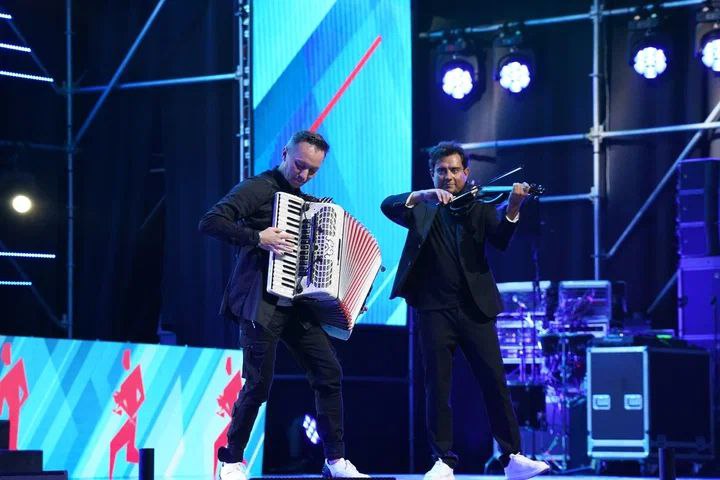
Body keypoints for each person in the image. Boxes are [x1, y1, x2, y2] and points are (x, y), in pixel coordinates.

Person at [199, 130, 368, 480]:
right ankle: (231, 461)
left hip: (296, 305)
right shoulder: (258, 188)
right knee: (258, 384)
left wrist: (344, 292)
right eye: (299, 165)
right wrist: (256, 237)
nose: (303, 174)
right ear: (285, 154)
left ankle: (335, 461)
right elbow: (211, 222)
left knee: (329, 372)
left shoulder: (306, 202)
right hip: (259, 303)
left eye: (312, 170)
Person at [380, 142, 549, 480]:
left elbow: (501, 239)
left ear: (466, 173)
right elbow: (387, 205)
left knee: (494, 381)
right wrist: (423, 195)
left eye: (455, 170)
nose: (449, 176)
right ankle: (443, 460)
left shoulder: (479, 207)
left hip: (475, 309)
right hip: (433, 309)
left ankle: (513, 458)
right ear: (432, 174)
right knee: (437, 386)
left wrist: (514, 206)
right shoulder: (421, 209)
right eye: (441, 170)